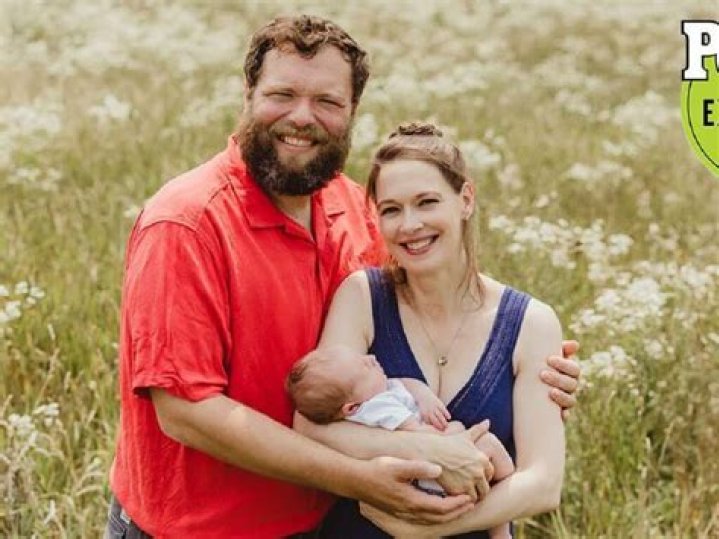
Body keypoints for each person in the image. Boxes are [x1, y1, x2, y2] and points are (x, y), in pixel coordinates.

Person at [105, 15, 581, 538]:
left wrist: (527, 370)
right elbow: (185, 411)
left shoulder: (354, 208)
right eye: (282, 94)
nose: (301, 117)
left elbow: (427, 309)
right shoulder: (186, 223)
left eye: (327, 102)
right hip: (196, 529)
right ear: (248, 93)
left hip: (318, 524)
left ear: (352, 111)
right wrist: (363, 478)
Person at [294, 122, 566, 537]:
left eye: (427, 202)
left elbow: (543, 484)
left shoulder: (531, 323)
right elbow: (312, 427)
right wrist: (427, 448)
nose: (410, 225)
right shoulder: (363, 297)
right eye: (391, 210)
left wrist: (425, 528)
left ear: (466, 199)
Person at [288, 345, 515, 539]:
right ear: (352, 408)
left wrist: (424, 396)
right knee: (490, 445)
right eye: (365, 366)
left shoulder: (378, 390)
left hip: (434, 472)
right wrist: (455, 431)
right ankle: (501, 529)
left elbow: (406, 383)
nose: (372, 358)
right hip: (430, 476)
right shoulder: (378, 409)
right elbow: (423, 439)